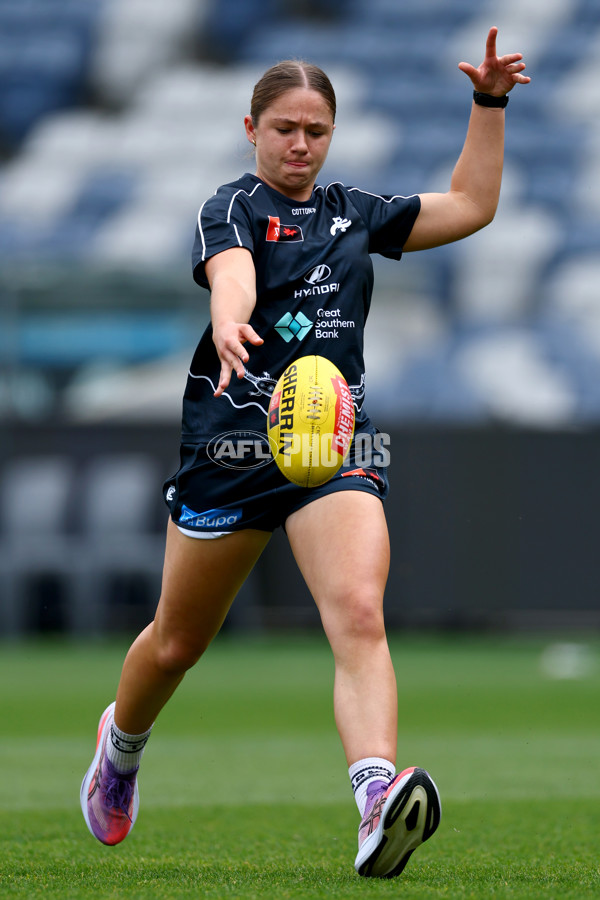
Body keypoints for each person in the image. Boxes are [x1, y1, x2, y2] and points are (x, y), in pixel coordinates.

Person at [81, 27, 529, 878]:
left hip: (329, 446)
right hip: (234, 445)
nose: (299, 143)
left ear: (331, 137)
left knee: (359, 611)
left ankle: (373, 797)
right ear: (251, 129)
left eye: (315, 131)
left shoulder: (354, 214)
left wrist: (490, 103)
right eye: (284, 127)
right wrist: (228, 314)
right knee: (176, 644)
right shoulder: (230, 207)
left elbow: (471, 206)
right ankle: (122, 746)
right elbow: (233, 274)